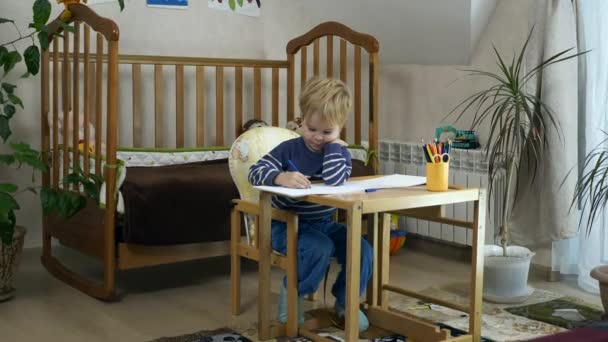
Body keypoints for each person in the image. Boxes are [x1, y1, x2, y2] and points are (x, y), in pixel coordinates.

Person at [248, 77, 372, 332]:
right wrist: (279, 176)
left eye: (328, 132)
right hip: (286, 225)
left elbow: (336, 180)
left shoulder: (339, 153)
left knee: (362, 247)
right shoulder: (288, 150)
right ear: (301, 121)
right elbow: (255, 171)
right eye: (311, 128)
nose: (317, 137)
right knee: (319, 247)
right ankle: (292, 296)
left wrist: (335, 150)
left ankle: (346, 301)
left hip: (323, 224)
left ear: (340, 129)